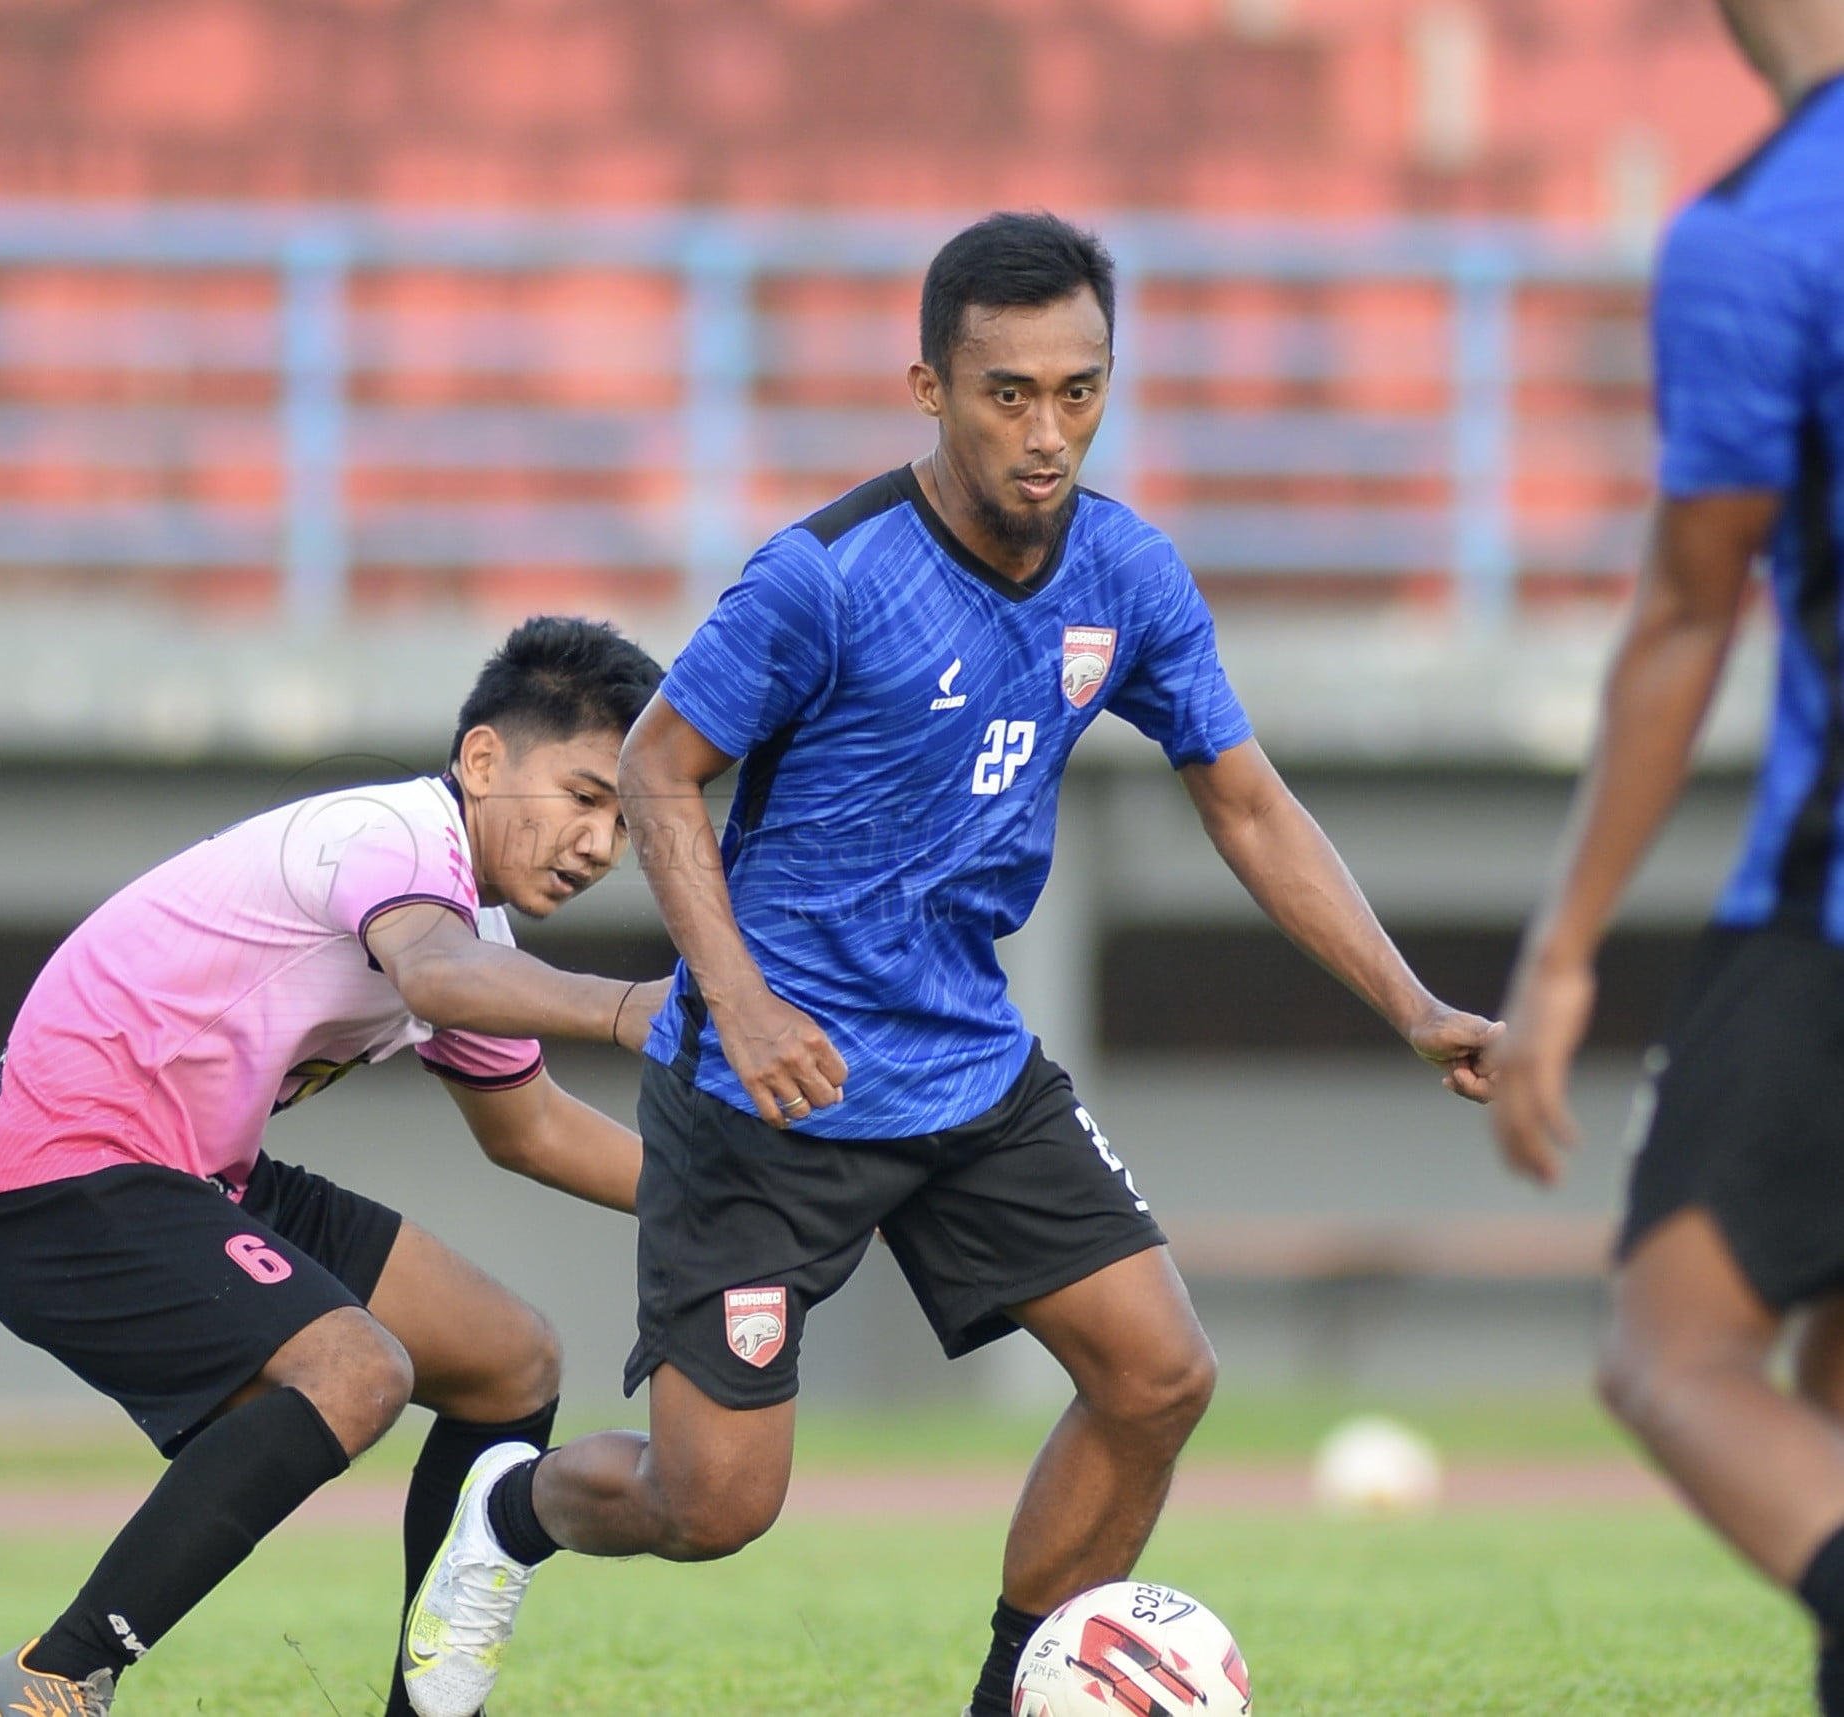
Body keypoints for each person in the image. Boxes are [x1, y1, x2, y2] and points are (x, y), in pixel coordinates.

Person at [396, 212, 1501, 1717]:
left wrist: (1414, 1004)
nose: (1046, 433)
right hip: (767, 1092)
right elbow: (660, 776)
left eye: (1079, 389)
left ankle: (1012, 1699)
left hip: (969, 1064)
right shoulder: (824, 579)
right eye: (1007, 393)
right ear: (928, 387)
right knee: (713, 1506)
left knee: (1159, 1374)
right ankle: (509, 1514)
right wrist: (740, 998)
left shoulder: (1126, 574)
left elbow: (1243, 799)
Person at [0, 616, 668, 1717]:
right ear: (483, 760)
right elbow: (435, 981)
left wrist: (742, 1206)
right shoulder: (391, 836)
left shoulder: (466, 927)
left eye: (623, 819)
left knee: (509, 1360)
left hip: (194, 1174)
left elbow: (528, 1129)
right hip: (69, 1184)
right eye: (582, 796)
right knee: (356, 1369)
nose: (598, 845)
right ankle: (51, 1677)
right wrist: (631, 1009)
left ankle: (428, 1711)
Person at [1489, 4, 1844, 1710]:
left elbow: (1687, 611)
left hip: (1825, 907)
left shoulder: (1757, 231)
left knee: (1670, 1343)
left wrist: (1559, 949)